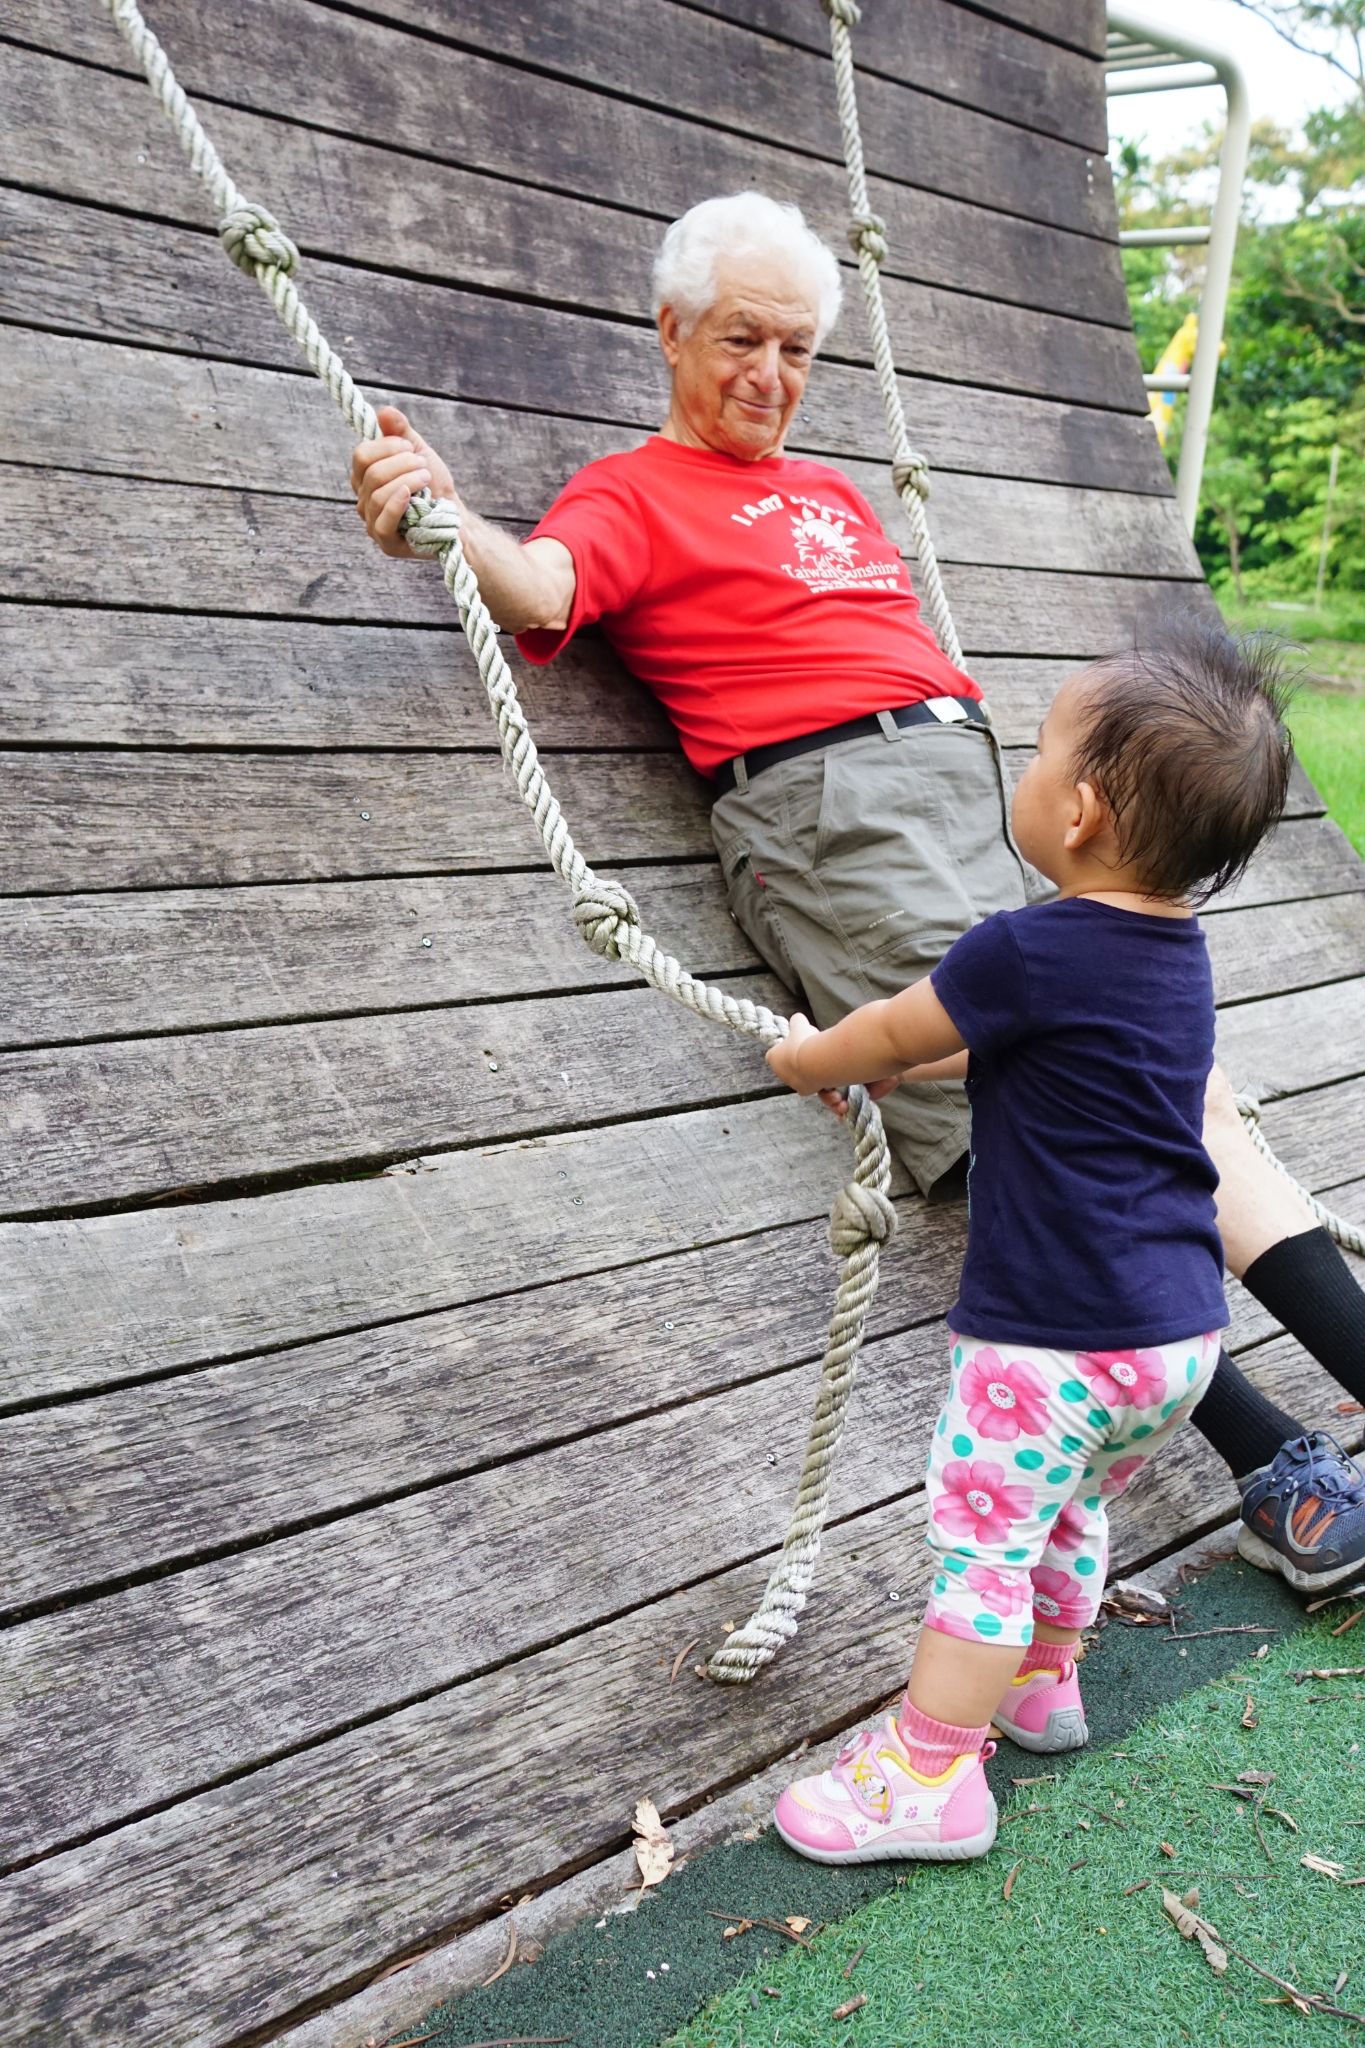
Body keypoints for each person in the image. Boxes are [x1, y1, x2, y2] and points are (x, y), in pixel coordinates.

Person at [350, 188, 1365, 1586]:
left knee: (1176, 1092)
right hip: (841, 816)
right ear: (672, 330)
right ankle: (1279, 1469)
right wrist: (440, 516)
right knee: (1044, 1109)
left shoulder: (825, 490)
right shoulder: (634, 491)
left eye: (796, 350)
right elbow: (537, 582)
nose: (769, 376)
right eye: (740, 339)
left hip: (981, 798)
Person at [764, 631, 1285, 1862]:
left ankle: (929, 1777)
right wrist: (904, 1072)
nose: (1028, 766)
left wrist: (807, 1054)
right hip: (1175, 1337)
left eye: (1042, 749)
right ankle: (1044, 1683)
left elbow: (894, 1028)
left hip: (1051, 1340)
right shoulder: (1175, 955)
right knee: (1067, 1510)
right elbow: (1017, 1050)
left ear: (1082, 809)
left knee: (983, 1546)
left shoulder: (1022, 946)